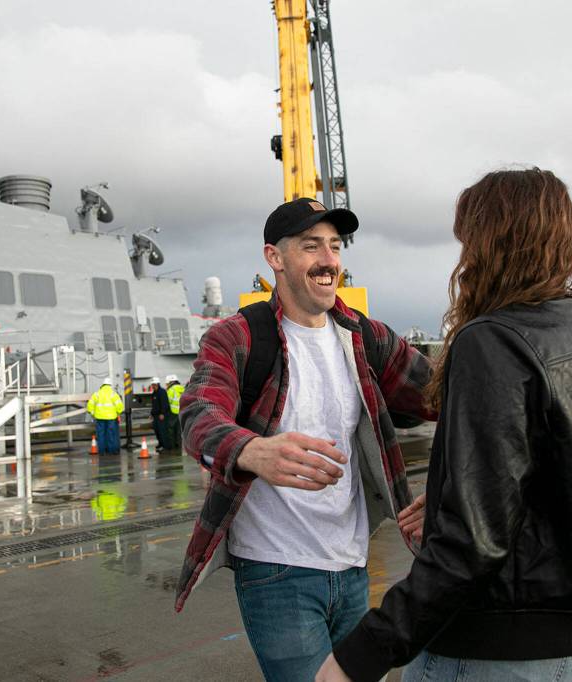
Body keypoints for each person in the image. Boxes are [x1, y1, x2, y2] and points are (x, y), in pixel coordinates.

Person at [316, 169, 572, 682]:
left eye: (468, 241)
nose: (464, 257)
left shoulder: (491, 341)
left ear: (493, 242)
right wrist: (462, 489)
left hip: (507, 648)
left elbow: (473, 544)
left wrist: (364, 652)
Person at [175, 197, 435, 680]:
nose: (328, 260)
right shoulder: (238, 336)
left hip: (354, 563)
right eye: (311, 245)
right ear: (274, 257)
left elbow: (444, 396)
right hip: (277, 571)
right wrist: (252, 450)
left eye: (335, 246)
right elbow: (197, 414)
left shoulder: (366, 337)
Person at [86, 379, 124, 455]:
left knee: (101, 435)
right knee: (111, 434)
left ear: (102, 385)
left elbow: (89, 406)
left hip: (100, 418)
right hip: (111, 418)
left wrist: (93, 413)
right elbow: (120, 406)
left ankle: (102, 451)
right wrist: (118, 413)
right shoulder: (113, 394)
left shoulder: (97, 394)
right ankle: (111, 451)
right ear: (110, 385)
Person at [148, 377, 171, 452]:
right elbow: (154, 405)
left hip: (161, 415)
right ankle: (160, 444)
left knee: (163, 431)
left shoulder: (162, 392)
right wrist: (151, 413)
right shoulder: (154, 393)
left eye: (154, 385)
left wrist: (162, 413)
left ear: (157, 384)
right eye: (152, 385)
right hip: (155, 415)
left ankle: (165, 446)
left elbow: (164, 404)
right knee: (157, 431)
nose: (152, 386)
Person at [163, 374, 184, 452]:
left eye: (167, 383)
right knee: (178, 430)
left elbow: (167, 402)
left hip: (172, 412)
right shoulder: (182, 388)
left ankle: (171, 446)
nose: (166, 385)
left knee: (170, 430)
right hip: (181, 412)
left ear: (170, 382)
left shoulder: (171, 390)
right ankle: (178, 445)